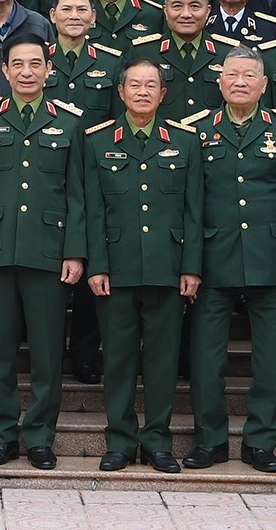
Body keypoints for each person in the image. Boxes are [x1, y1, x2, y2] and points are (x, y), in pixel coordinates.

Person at [181, 46, 276, 473]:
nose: (240, 82)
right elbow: (191, 205)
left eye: (249, 75)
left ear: (264, 84)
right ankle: (210, 441)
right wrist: (191, 265)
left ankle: (260, 443)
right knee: (206, 358)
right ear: (219, 82)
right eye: (232, 74)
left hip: (270, 260)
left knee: (271, 359)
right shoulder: (196, 132)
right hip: (213, 260)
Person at [0, 36, 86, 469]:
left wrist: (74, 252)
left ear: (48, 68)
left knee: (47, 351)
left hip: (49, 252)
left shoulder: (70, 122)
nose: (28, 71)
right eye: (18, 64)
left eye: (36, 63)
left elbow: (77, 194)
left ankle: (39, 436)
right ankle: (1, 434)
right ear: (5, 69)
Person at [83, 56, 202, 473]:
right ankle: (119, 440)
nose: (143, 92)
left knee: (162, 359)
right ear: (120, 91)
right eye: (134, 85)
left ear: (163, 93)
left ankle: (157, 441)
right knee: (117, 358)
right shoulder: (97, 141)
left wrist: (191, 267)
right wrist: (96, 264)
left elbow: (194, 210)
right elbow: (91, 210)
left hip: (167, 267)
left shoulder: (186, 141)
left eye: (151, 85)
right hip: (115, 267)